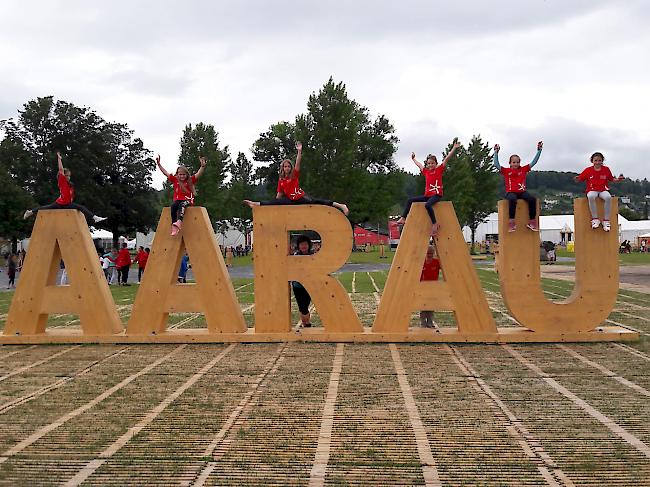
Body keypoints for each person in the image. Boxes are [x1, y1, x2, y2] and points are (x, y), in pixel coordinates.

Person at [243, 142, 349, 215]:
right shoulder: (281, 181)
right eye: (285, 166)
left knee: (318, 201)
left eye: (289, 166)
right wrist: (275, 204)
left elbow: (298, 164)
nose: (287, 168)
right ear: (282, 168)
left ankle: (340, 205)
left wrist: (299, 151)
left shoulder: (293, 176)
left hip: (300, 197)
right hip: (291, 201)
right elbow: (279, 195)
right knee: (274, 201)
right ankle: (255, 204)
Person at [397, 140, 461, 237]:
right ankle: (403, 218)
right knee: (410, 200)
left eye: (432, 163)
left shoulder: (439, 170)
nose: (430, 165)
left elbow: (447, 159)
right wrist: (413, 159)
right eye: (428, 163)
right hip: (427, 195)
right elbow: (419, 165)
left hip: (436, 195)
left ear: (436, 163)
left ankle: (434, 223)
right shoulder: (426, 172)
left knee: (427, 205)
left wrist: (454, 148)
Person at [23, 152, 107, 224]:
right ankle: (30, 212)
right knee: (45, 208)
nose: (68, 177)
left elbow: (69, 196)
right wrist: (59, 159)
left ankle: (95, 218)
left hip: (66, 204)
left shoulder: (70, 185)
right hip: (60, 203)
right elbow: (60, 170)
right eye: (66, 175)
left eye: (69, 176)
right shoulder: (62, 181)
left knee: (80, 208)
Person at [494, 141, 543, 232]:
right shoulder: (506, 171)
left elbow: (534, 162)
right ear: (510, 163)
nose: (516, 164)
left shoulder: (523, 169)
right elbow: (496, 164)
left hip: (522, 192)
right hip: (511, 192)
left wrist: (539, 151)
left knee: (532, 199)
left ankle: (532, 221)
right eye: (514, 162)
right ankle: (511, 222)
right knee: (512, 200)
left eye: (517, 162)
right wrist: (496, 153)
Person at [156, 154, 207, 236]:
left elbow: (198, 174)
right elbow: (165, 173)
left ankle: (179, 221)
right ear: (177, 174)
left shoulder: (190, 181)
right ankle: (174, 225)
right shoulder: (175, 180)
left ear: (187, 175)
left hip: (187, 200)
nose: (182, 176)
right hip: (177, 200)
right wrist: (159, 165)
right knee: (173, 206)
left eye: (184, 174)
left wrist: (202, 166)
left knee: (182, 205)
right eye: (180, 174)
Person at [574, 152, 625, 232]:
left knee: (608, 197)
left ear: (602, 161)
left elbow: (612, 179)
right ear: (592, 161)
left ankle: (606, 221)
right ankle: (595, 219)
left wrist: (618, 179)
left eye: (599, 160)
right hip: (592, 190)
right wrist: (577, 179)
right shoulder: (588, 170)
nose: (597, 162)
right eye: (596, 160)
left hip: (603, 190)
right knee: (590, 196)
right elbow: (579, 179)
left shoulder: (606, 169)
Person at [291, 235, 314, 328]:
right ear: (298, 246)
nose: (303, 246)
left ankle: (306, 323)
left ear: (308, 245)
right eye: (301, 244)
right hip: (298, 285)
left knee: (305, 305)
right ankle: (306, 323)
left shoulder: (313, 255)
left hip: (309, 285)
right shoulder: (295, 255)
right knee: (301, 306)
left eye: (305, 244)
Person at [419, 245, 441, 329]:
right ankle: (423, 323)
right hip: (423, 287)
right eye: (428, 253)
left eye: (431, 253)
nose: (429, 255)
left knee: (431, 305)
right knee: (423, 306)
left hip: (433, 287)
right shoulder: (422, 262)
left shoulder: (436, 262)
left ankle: (430, 322)